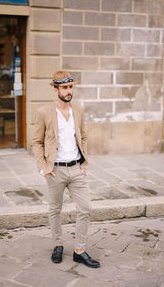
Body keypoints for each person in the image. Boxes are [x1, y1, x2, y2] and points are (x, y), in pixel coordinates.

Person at [32, 70, 100, 268]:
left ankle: (80, 250)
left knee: (85, 208)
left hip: (76, 169)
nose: (69, 91)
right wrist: (43, 168)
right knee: (55, 209)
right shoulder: (44, 112)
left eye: (70, 87)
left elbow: (84, 136)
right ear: (56, 89)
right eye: (64, 87)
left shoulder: (78, 110)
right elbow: (36, 142)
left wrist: (84, 162)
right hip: (55, 170)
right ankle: (58, 244)